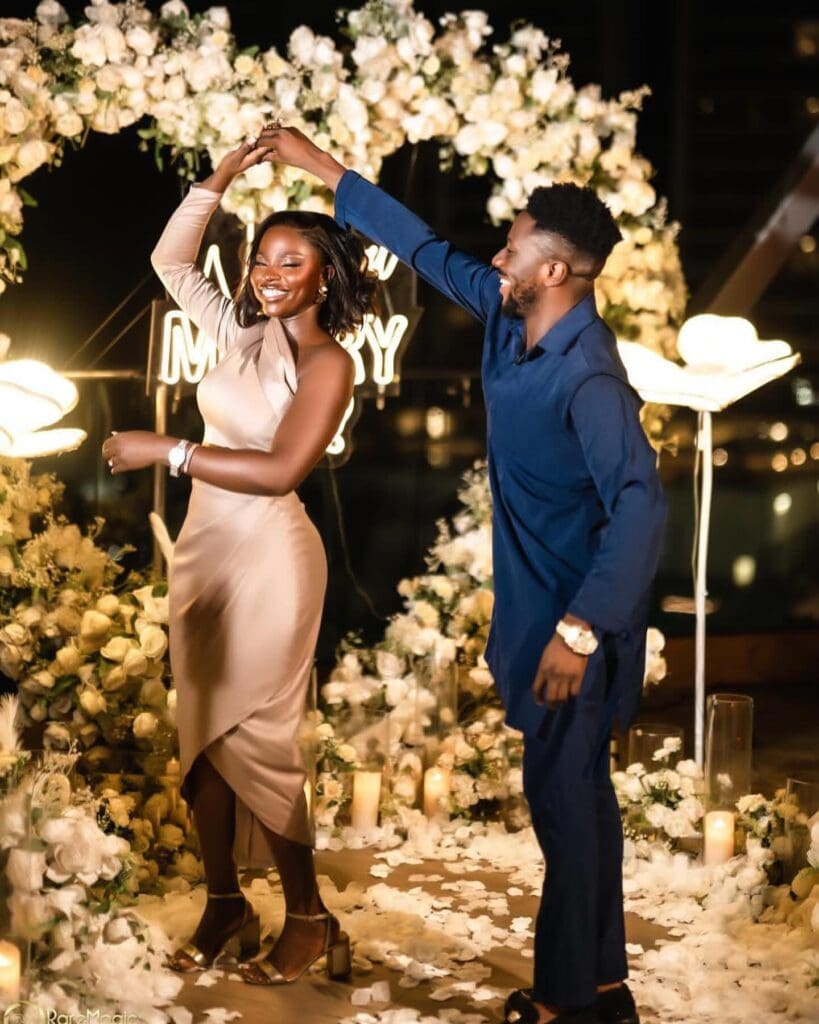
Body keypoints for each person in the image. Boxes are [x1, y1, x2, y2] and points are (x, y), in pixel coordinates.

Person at [259, 126, 667, 1024]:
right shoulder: (508, 317)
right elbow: (424, 247)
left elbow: (642, 505)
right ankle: (602, 989)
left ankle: (568, 1002)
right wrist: (319, 167)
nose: (497, 256)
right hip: (537, 613)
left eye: (513, 246)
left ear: (553, 271)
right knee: (579, 808)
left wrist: (579, 629)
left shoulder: (590, 378)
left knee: (565, 813)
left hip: (576, 628)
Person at [101, 131, 377, 986]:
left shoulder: (329, 363)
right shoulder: (237, 332)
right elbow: (171, 259)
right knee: (202, 742)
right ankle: (225, 903)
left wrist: (167, 450)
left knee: (258, 742)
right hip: (204, 551)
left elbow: (283, 469)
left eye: (289, 261)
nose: (267, 272)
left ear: (323, 274)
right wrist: (222, 177)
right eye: (261, 258)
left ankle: (304, 915)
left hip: (271, 558)